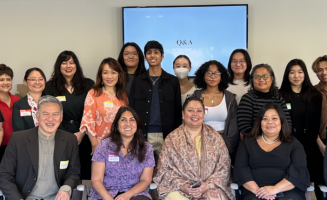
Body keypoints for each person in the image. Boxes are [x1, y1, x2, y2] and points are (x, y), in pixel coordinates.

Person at [154, 96, 235, 200]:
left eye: (199, 111)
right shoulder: (172, 139)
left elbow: (224, 167)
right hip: (178, 189)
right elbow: (164, 170)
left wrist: (207, 185)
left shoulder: (215, 137)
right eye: (190, 110)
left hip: (210, 188)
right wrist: (183, 186)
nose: (195, 114)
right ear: (183, 114)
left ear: (204, 115)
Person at [0, 95, 80, 200]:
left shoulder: (70, 139)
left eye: (55, 114)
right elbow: (4, 175)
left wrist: (65, 189)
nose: (50, 119)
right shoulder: (18, 139)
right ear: (37, 116)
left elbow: (74, 172)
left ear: (61, 117)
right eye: (45, 114)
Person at [234, 103, 310, 200]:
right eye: (265, 119)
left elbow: (298, 172)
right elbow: (241, 170)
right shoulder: (247, 142)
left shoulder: (294, 144)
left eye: (274, 118)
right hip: (255, 192)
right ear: (259, 122)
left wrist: (275, 189)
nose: (270, 122)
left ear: (281, 122)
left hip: (288, 191)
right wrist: (260, 191)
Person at [44, 50, 94, 180]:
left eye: (71, 62)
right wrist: (65, 134)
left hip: (85, 135)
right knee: (63, 170)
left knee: (85, 169)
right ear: (58, 66)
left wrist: (82, 133)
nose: (68, 66)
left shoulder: (88, 84)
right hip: (59, 134)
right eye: (64, 62)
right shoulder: (50, 86)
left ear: (76, 65)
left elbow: (93, 112)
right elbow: (48, 114)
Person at [129, 40, 182, 160]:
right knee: (143, 171)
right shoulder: (137, 81)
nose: (153, 55)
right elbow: (131, 110)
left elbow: (178, 111)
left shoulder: (173, 81)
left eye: (156, 52)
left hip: (167, 135)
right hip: (143, 135)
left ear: (162, 56)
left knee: (166, 171)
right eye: (149, 53)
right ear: (145, 57)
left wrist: (175, 137)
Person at [90, 106, 155, 200]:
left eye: (132, 120)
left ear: (137, 124)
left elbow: (145, 180)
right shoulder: (104, 146)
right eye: (123, 120)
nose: (128, 124)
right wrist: (108, 198)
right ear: (117, 125)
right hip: (106, 192)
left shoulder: (146, 148)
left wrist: (127, 195)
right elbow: (96, 180)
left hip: (134, 193)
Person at [279, 59, 322, 199]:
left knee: (308, 180)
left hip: (309, 143)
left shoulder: (315, 95)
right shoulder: (280, 95)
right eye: (292, 72)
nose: (296, 76)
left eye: (300, 72)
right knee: (288, 179)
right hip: (287, 142)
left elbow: (316, 121)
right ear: (287, 75)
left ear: (305, 74)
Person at [193, 60, 239, 163]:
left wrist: (227, 147)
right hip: (200, 141)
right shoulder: (195, 96)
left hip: (223, 140)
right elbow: (190, 121)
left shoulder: (230, 98)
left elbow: (234, 127)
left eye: (217, 73)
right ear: (203, 76)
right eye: (209, 73)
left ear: (222, 76)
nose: (213, 76)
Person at [80, 57, 128, 154]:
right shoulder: (94, 93)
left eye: (113, 72)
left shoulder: (123, 95)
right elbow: (88, 122)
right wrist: (95, 145)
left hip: (120, 147)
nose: (109, 76)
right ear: (101, 75)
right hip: (100, 146)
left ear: (119, 75)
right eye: (105, 72)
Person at [237, 63, 292, 137]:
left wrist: (275, 140)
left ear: (272, 79)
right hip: (254, 142)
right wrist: (263, 141)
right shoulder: (248, 98)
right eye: (257, 76)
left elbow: (287, 124)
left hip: (278, 141)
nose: (261, 79)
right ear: (252, 80)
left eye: (265, 76)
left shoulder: (279, 99)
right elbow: (244, 126)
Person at [312, 55, 327, 200]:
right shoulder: (313, 92)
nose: (324, 72)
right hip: (320, 141)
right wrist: (319, 142)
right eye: (320, 70)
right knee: (321, 181)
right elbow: (311, 121)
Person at [0, 64, 20, 161]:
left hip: (17, 146)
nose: (6, 82)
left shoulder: (18, 100)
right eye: (1, 80)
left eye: (8, 79)